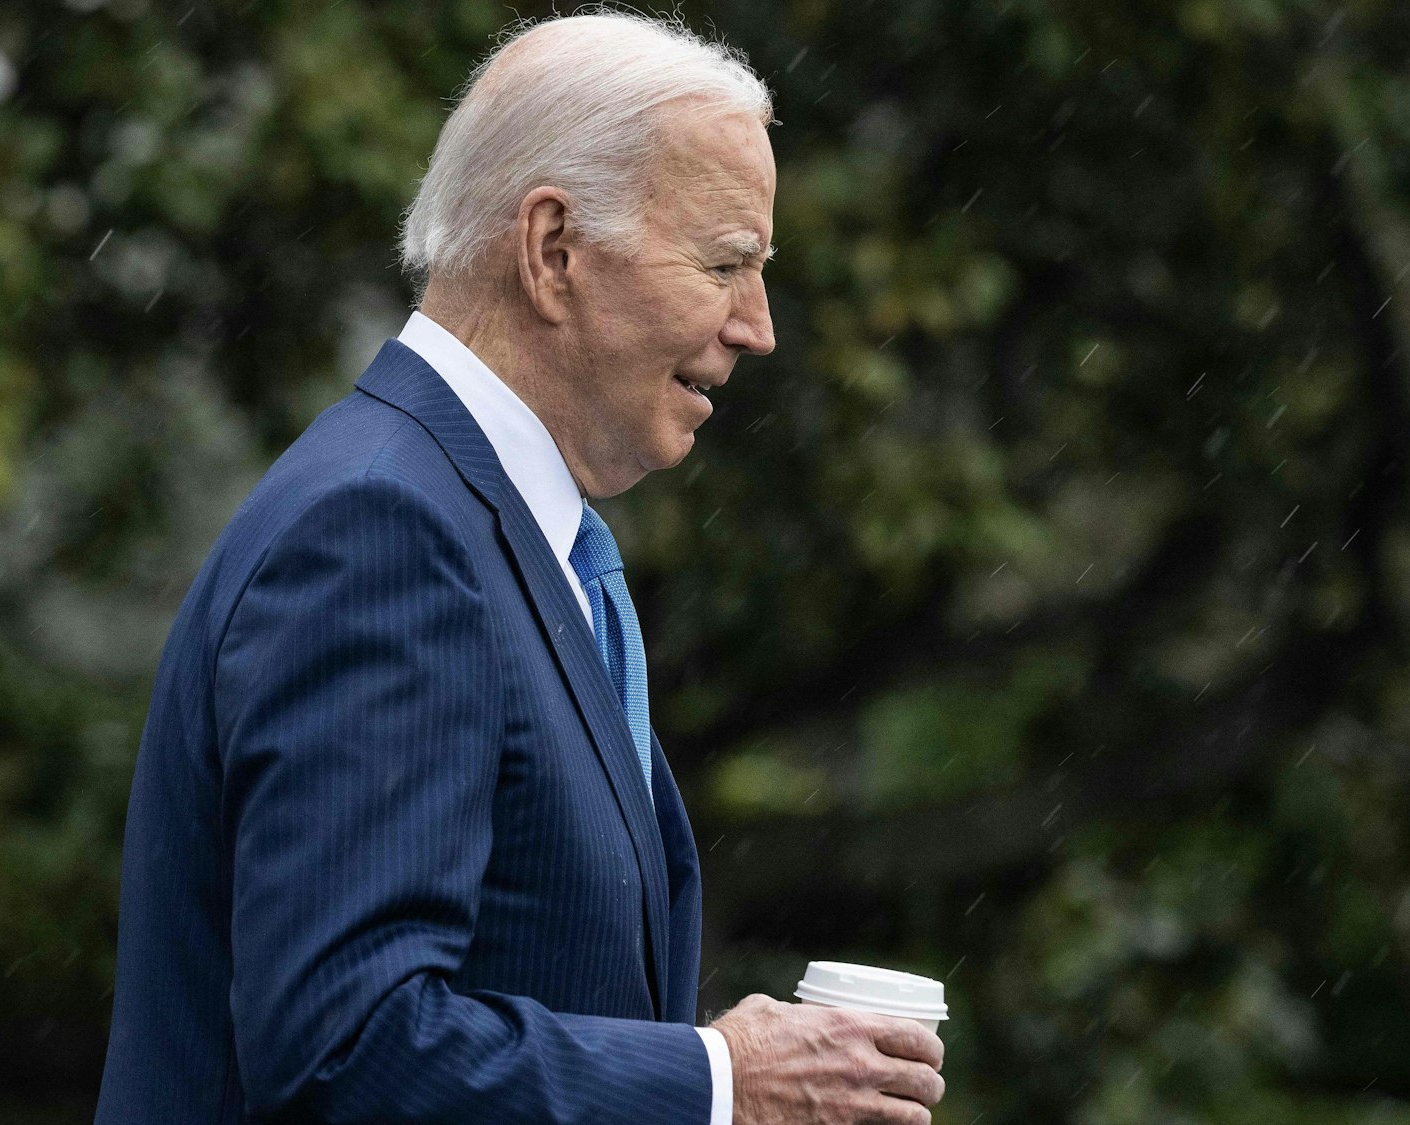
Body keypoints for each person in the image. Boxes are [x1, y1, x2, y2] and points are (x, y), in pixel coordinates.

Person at [91, 10, 946, 1124]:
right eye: (725, 263)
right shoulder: (381, 532)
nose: (758, 326)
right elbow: (345, 1051)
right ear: (552, 252)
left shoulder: (505, 534)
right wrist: (723, 1082)